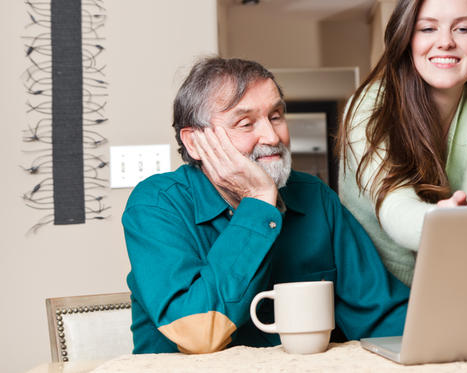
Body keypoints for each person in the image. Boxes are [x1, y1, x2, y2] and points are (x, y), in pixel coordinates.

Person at [123, 57, 409, 354]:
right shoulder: (156, 205)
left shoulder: (314, 196)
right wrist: (259, 202)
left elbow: (382, 314)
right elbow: (198, 333)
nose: (273, 137)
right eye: (246, 123)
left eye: (276, 116)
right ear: (195, 143)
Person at [338, 0, 467, 286]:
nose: (445, 42)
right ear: (406, 37)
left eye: (463, 29)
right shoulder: (368, 105)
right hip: (375, 281)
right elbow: (394, 211)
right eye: (427, 29)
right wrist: (444, 222)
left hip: (454, 271)